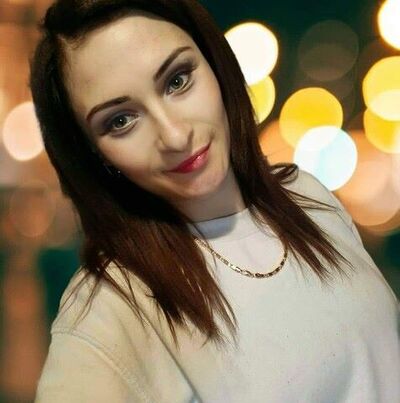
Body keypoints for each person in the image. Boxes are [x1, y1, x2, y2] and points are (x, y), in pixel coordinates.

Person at [29, 0, 400, 402]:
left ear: (215, 63)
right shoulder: (112, 309)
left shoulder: (306, 196)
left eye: (177, 81)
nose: (174, 136)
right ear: (93, 154)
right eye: (120, 121)